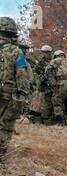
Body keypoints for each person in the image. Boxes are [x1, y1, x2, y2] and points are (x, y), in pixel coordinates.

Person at [0, 17, 28, 165]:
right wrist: (23, 93)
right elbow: (21, 74)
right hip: (7, 93)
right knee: (6, 124)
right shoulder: (17, 52)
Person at [35, 44, 54, 124]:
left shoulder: (54, 61)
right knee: (47, 102)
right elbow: (37, 74)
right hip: (45, 86)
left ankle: (53, 117)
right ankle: (45, 118)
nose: (47, 54)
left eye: (48, 53)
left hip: (55, 84)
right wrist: (41, 79)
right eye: (45, 53)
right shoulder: (40, 64)